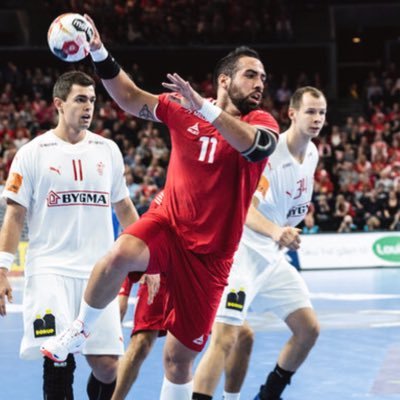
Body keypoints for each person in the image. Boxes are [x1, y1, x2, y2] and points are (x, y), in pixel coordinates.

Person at [41, 14, 280, 400]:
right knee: (119, 254)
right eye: (251, 75)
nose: (259, 84)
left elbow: (256, 146)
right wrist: (99, 51)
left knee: (177, 360)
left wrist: (205, 110)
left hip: (211, 257)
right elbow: (130, 98)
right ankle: (80, 330)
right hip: (169, 224)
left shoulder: (260, 121)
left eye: (263, 78)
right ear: (225, 80)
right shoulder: (180, 108)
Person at [0, 70, 139, 400]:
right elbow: (14, 216)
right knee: (57, 356)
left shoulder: (108, 150)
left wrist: (150, 259)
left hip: (100, 272)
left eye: (92, 100)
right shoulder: (33, 152)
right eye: (80, 99)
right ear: (59, 104)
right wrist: (2, 267)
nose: (89, 106)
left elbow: (125, 209)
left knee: (107, 366)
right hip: (50, 270)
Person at [193, 86, 326, 400]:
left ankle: (268, 395)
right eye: (310, 111)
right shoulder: (269, 154)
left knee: (309, 329)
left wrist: (287, 226)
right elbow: (245, 210)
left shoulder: (313, 154)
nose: (317, 118)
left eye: (321, 112)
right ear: (292, 113)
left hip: (272, 256)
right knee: (225, 338)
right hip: (242, 253)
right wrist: (277, 232)